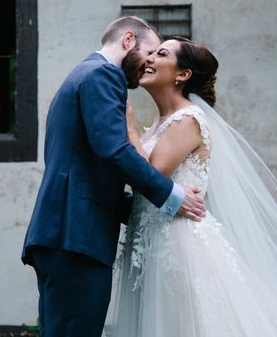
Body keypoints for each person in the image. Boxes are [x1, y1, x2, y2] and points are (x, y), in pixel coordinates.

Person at [112, 37, 277, 337]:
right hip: (147, 241)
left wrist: (129, 127)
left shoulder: (187, 120)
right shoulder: (163, 122)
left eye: (160, 54)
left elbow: (150, 174)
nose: (148, 59)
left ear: (182, 74)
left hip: (176, 246)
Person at [21, 18, 207, 337]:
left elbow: (87, 171)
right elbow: (114, 150)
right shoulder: (103, 74)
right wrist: (172, 195)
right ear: (128, 39)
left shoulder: (83, 74)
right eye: (149, 52)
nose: (148, 62)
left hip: (64, 232)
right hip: (76, 235)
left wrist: (137, 208)